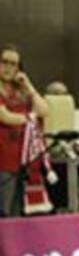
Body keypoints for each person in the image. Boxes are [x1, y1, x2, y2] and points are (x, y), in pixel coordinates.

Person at [0, 45, 48, 217]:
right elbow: (5, 117)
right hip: (3, 162)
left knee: (18, 214)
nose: (8, 67)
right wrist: (30, 118)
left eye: (13, 64)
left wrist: (29, 85)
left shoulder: (21, 90)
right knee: (4, 213)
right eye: (4, 62)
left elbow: (44, 110)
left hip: (23, 163)